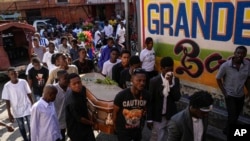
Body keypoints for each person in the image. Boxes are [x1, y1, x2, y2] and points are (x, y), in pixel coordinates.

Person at [216, 45, 250, 135]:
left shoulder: (247, 64)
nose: (240, 55)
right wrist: (224, 93)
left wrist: (248, 91)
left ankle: (227, 130)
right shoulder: (226, 66)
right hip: (230, 95)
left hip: (240, 95)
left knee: (236, 115)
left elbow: (247, 79)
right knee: (232, 116)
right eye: (238, 53)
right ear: (235, 53)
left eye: (243, 53)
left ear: (245, 55)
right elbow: (218, 79)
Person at [147, 57, 181, 141]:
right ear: (161, 69)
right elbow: (150, 101)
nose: (169, 73)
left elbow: (177, 97)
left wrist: (171, 85)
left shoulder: (175, 80)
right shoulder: (154, 81)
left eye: (171, 70)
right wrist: (149, 118)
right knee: (157, 138)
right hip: (158, 117)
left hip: (170, 116)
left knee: (170, 137)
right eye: (167, 70)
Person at [113, 68, 151, 141]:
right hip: (123, 131)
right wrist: (115, 127)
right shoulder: (121, 95)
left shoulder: (147, 95)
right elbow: (115, 113)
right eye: (139, 80)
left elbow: (146, 109)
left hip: (137, 130)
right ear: (132, 80)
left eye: (144, 81)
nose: (142, 83)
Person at [1, 67, 33, 141]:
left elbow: (29, 94)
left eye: (15, 73)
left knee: (31, 125)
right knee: (21, 127)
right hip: (16, 110)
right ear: (9, 76)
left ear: (17, 73)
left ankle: (31, 139)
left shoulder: (23, 82)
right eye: (11, 74)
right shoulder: (7, 86)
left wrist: (32, 105)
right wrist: (9, 113)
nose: (14, 75)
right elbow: (7, 100)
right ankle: (25, 139)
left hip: (27, 107)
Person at [65, 73, 96, 141]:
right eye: (74, 84)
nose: (77, 85)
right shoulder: (72, 101)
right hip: (76, 131)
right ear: (69, 85)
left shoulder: (82, 89)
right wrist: (92, 123)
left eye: (79, 82)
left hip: (85, 126)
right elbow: (80, 119)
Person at [53, 70, 70, 141]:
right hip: (59, 120)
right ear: (59, 79)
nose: (67, 80)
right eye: (65, 78)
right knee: (61, 137)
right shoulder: (53, 89)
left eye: (68, 78)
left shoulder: (71, 87)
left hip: (70, 118)